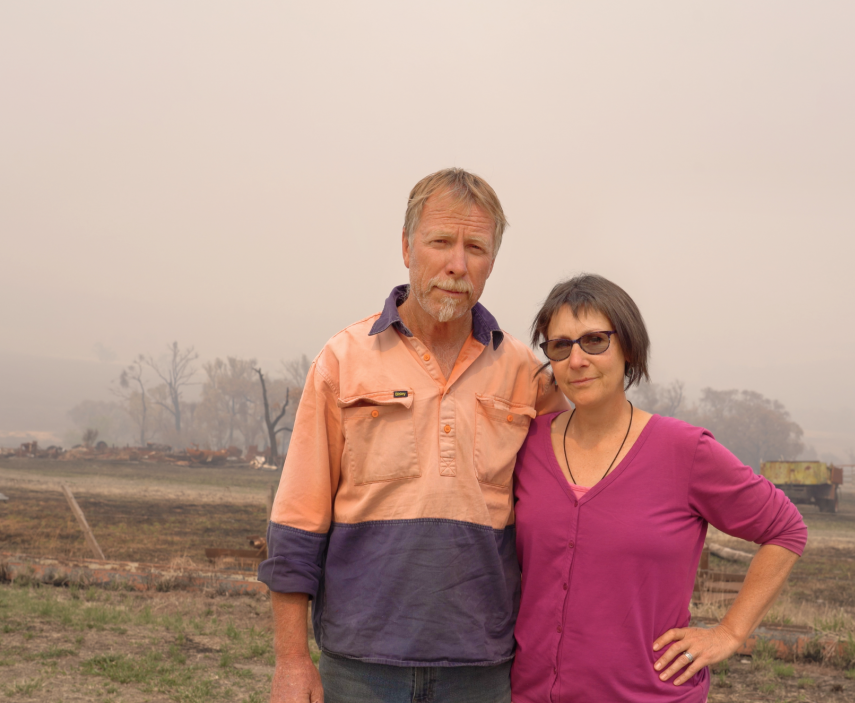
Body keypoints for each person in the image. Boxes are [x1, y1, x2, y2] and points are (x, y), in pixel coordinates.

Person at [259, 168, 567, 703]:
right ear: (406, 247)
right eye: (441, 242)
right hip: (359, 665)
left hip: (482, 665)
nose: (457, 263)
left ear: (492, 262)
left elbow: (574, 496)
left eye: (476, 247)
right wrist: (291, 661)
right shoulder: (343, 360)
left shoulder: (525, 372)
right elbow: (298, 522)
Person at [511, 274, 807, 703]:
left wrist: (729, 632)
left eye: (594, 341)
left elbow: (786, 530)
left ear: (628, 347)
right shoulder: (528, 445)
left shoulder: (684, 451)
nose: (576, 360)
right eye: (560, 345)